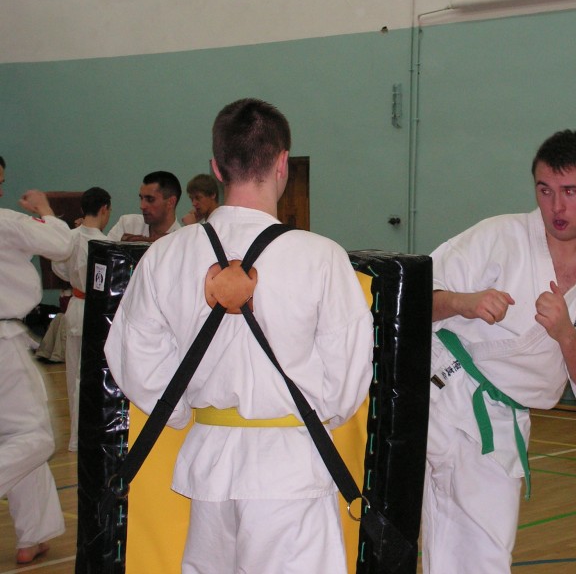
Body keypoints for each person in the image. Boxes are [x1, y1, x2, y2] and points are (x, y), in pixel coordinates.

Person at [105, 98, 374, 574]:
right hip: (291, 470)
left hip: (209, 463)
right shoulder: (322, 258)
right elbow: (348, 378)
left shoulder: (165, 256)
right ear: (282, 163)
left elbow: (133, 357)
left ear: (216, 167)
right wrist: (313, 414)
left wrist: (183, 410)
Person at [421, 130, 576, 574]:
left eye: (570, 191)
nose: (556, 207)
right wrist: (463, 302)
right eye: (545, 190)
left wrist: (566, 334)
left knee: (485, 555)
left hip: (499, 422)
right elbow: (412, 299)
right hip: (434, 394)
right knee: (400, 537)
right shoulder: (499, 236)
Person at [0, 156, 68, 565]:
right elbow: (60, 245)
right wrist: (45, 210)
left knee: (16, 433)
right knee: (35, 437)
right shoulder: (6, 223)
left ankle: (34, 534)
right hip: (2, 343)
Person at [51, 187, 112, 452]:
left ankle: (76, 438)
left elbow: (59, 267)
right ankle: (87, 435)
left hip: (76, 306)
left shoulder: (70, 237)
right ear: (104, 209)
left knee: (73, 377)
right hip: (96, 311)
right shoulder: (106, 243)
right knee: (92, 377)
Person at [107, 170, 181, 242]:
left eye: (150, 199)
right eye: (141, 198)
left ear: (171, 202)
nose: (142, 206)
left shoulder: (181, 240)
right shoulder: (127, 225)